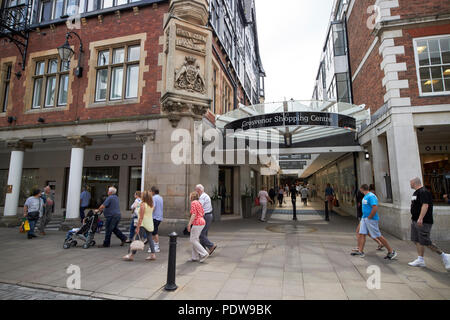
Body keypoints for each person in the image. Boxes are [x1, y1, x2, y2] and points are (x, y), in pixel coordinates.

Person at [407, 178, 450, 270]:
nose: (410, 184)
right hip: (415, 220)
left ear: (415, 183)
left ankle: (444, 255)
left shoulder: (423, 192)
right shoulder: (416, 193)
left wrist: (420, 218)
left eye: (410, 182)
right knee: (416, 240)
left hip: (423, 221)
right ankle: (420, 259)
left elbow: (425, 205)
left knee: (425, 241)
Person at [351, 184, 397, 260]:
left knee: (378, 235)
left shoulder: (371, 196)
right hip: (364, 218)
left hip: (370, 219)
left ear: (362, 189)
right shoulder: (366, 196)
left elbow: (375, 207)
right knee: (361, 233)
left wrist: (369, 217)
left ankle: (391, 251)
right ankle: (360, 251)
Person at [123, 191, 156, 261]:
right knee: (150, 239)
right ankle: (153, 254)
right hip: (150, 223)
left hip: (143, 224)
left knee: (136, 239)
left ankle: (131, 255)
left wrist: (137, 227)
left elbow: (141, 217)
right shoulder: (151, 205)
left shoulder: (143, 204)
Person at [353, 189, 384, 253]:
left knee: (360, 231)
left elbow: (373, 207)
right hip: (364, 216)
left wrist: (369, 217)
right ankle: (380, 243)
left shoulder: (369, 196)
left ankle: (359, 247)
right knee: (366, 232)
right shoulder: (366, 196)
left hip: (365, 217)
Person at [187, 192, 209, 263]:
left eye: (190, 195)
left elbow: (193, 214)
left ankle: (204, 253)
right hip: (202, 221)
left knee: (192, 240)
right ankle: (194, 257)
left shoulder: (193, 203)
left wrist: (189, 224)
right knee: (195, 239)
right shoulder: (199, 203)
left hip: (197, 223)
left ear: (192, 196)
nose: (189, 197)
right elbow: (203, 213)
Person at [196, 184, 217, 255]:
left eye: (196, 190)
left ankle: (211, 246)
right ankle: (203, 250)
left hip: (206, 216)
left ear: (199, 190)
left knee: (201, 234)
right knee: (204, 233)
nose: (196, 191)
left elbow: (199, 207)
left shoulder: (202, 197)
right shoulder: (205, 195)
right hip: (208, 215)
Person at [151, 186, 163, 253]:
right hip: (159, 217)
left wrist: (149, 213)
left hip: (155, 217)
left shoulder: (154, 198)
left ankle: (156, 246)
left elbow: (153, 207)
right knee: (154, 231)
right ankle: (153, 246)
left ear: (153, 192)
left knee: (154, 232)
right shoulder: (160, 198)